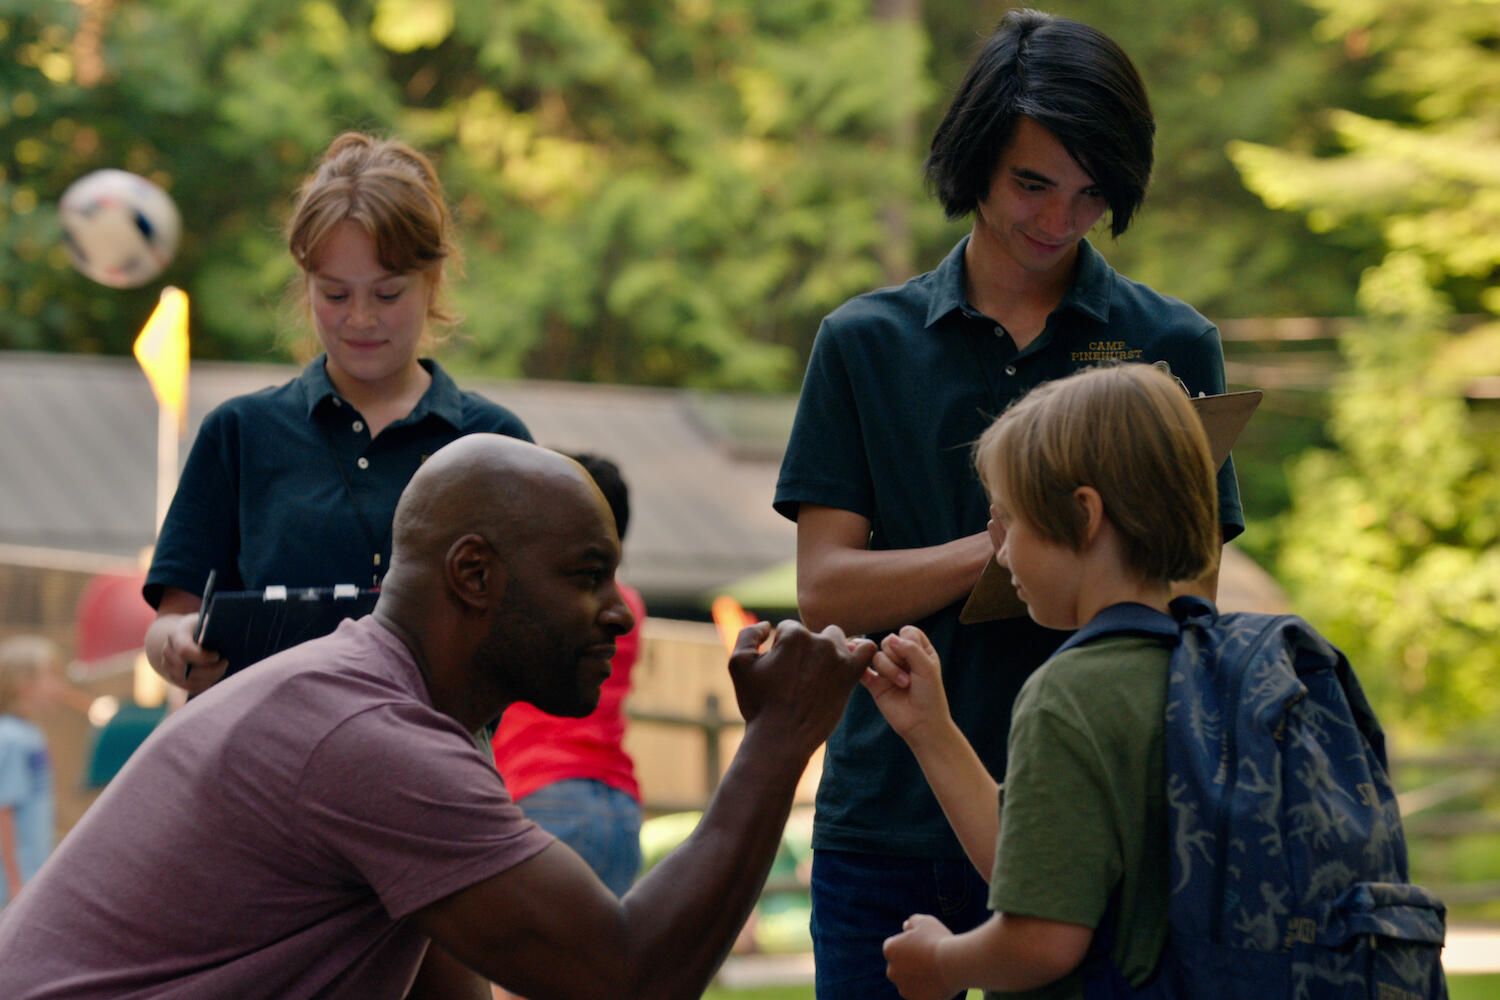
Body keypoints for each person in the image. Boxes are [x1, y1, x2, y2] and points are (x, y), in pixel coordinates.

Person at [0, 434, 878, 999]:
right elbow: (627, 972)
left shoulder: (393, 713)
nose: (617, 611)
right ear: (473, 575)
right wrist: (778, 738)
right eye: (585, 575)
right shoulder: (368, 737)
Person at [772, 10, 1243, 995]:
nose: (1058, 220)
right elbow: (822, 593)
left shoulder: (1174, 344)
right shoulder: (863, 342)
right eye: (1034, 183)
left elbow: (1189, 603)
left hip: (1100, 816)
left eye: (1090, 194)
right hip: (892, 819)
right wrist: (1009, 551)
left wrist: (1043, 557)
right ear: (976, 158)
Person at [865, 363, 1221, 999]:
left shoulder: (1069, 695)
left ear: (1084, 515)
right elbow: (1037, 865)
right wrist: (930, 728)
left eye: (1009, 522)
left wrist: (943, 961)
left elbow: (1042, 935)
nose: (1000, 553)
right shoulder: (1213, 668)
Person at [144, 131, 532, 696]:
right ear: (306, 285)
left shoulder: (494, 442)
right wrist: (180, 645)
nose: (361, 319)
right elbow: (169, 621)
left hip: (430, 770)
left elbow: (527, 628)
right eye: (335, 294)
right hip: (264, 767)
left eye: (387, 294)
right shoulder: (240, 433)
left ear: (433, 281)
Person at [491, 452, 646, 899]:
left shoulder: (547, 597)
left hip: (544, 790)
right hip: (618, 803)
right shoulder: (628, 604)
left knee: (525, 966)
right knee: (605, 963)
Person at [0, 636, 59, 910]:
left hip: (31, 874)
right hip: (15, 883)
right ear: (23, 686)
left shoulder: (31, 734)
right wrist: (15, 882)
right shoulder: (11, 738)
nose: (57, 687)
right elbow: (4, 811)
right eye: (50, 677)